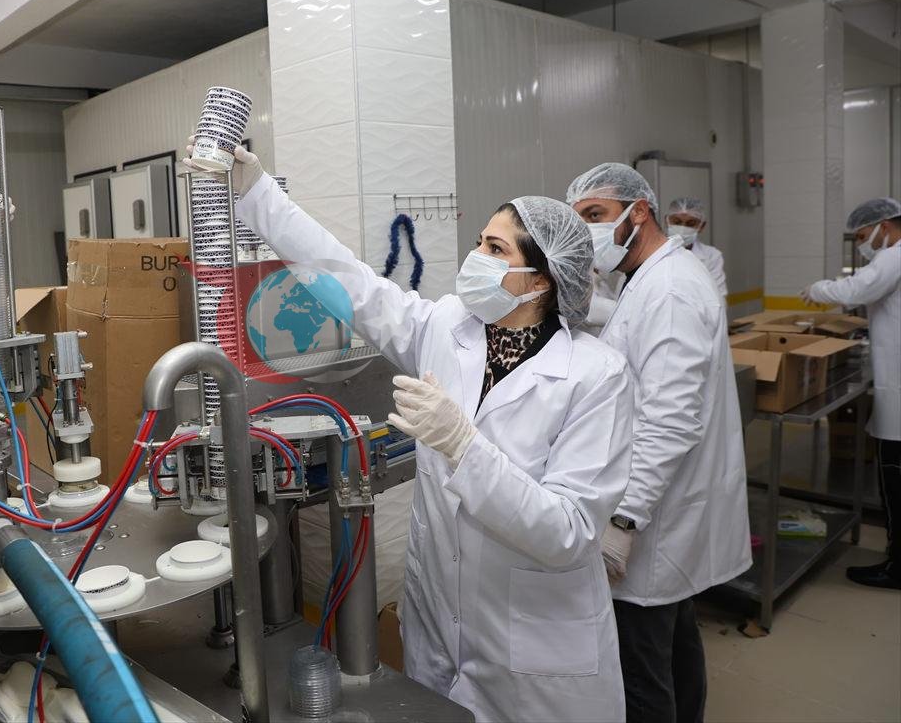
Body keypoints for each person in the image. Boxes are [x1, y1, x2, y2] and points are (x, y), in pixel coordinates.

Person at [189, 142, 635, 722]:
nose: (475, 257)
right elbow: (348, 281)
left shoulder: (596, 376)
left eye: (495, 249)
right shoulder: (449, 326)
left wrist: (465, 447)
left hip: (534, 645)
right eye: (480, 241)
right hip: (440, 621)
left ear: (541, 282)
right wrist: (257, 193)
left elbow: (569, 532)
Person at [567, 163, 751, 723]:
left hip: (654, 516)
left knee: (643, 672)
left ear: (639, 211)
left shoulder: (670, 287)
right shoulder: (651, 277)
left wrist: (624, 522)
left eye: (595, 215)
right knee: (675, 643)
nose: (589, 230)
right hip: (667, 512)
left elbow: (669, 420)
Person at [803, 197, 901, 590]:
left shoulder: (893, 256)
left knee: (895, 476)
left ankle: (898, 567)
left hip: (898, 388)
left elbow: (860, 287)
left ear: (885, 226)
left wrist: (818, 289)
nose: (863, 244)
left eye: (863, 236)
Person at [665, 197, 727, 298]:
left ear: (702, 226)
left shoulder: (712, 257)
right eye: (677, 222)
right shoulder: (653, 252)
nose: (682, 228)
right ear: (666, 221)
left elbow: (718, 297)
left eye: (690, 224)